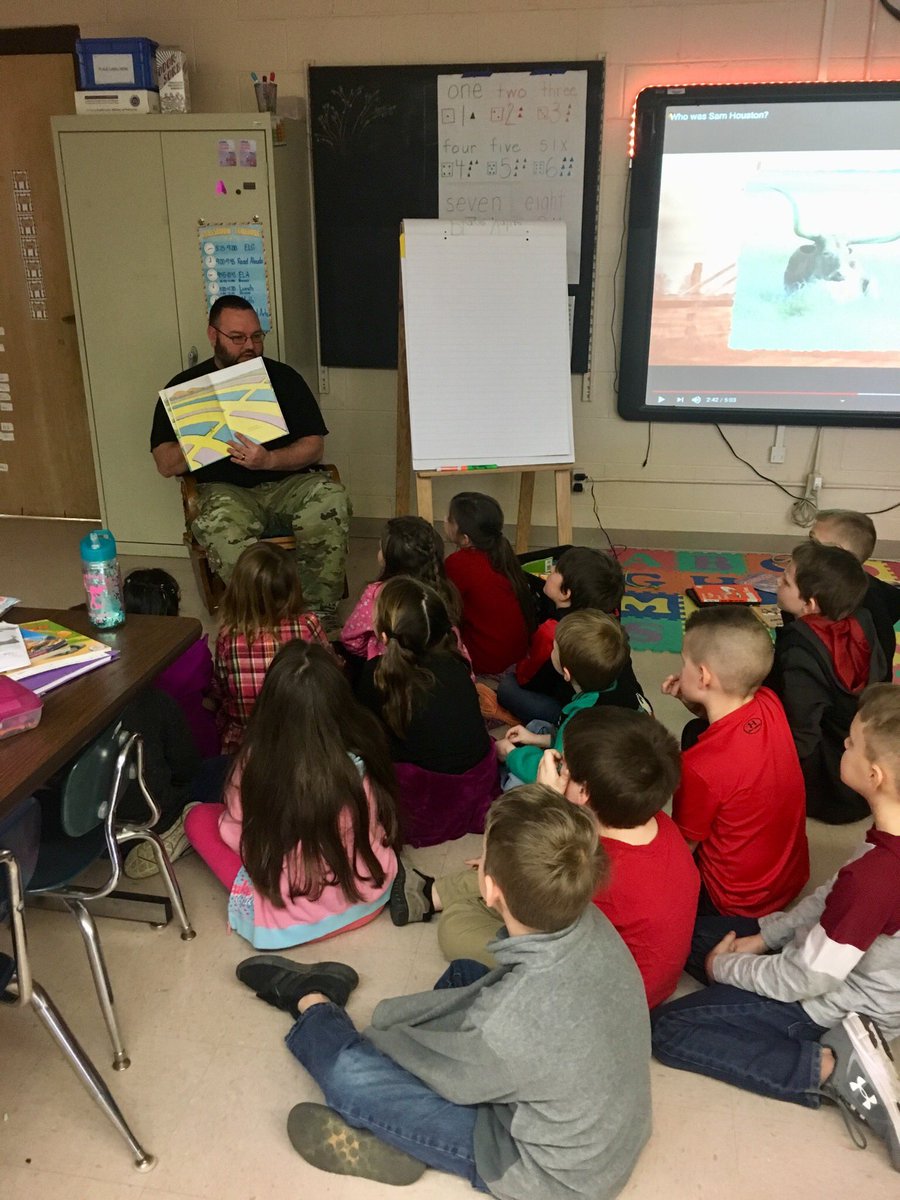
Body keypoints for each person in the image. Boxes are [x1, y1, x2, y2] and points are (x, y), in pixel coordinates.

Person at [235, 786, 652, 1197]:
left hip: (549, 1175)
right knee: (466, 973)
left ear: (488, 887)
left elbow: (449, 1074)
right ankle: (402, 1137)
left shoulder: (506, 1025)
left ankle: (312, 1000)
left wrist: (386, 1039)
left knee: (353, 1075)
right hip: (605, 1130)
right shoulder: (587, 919)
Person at [651, 684, 900, 1175]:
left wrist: (728, 967)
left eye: (848, 743)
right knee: (688, 928)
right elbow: (828, 900)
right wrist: (763, 937)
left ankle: (832, 1069)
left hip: (837, 1004)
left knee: (668, 1030)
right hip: (828, 961)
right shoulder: (881, 846)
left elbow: (808, 979)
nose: (841, 748)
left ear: (874, 775)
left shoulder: (875, 881)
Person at [394, 707, 699, 1010]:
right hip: (624, 958)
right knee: (504, 864)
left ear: (583, 791)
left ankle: (435, 898)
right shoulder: (649, 821)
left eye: (564, 764)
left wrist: (543, 798)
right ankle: (429, 894)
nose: (556, 763)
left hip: (599, 992)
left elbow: (529, 878)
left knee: (457, 926)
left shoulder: (601, 872)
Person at [184, 640, 398, 948]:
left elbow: (240, 839)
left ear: (271, 704)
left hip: (290, 915)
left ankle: (261, 901)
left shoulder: (256, 762)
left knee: (198, 818)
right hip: (370, 897)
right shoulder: (364, 744)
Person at [150, 295, 350, 622]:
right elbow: (165, 463)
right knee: (217, 524)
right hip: (227, 491)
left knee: (331, 498)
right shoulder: (185, 388)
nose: (251, 347)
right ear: (213, 336)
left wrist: (269, 460)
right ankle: (268, 619)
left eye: (257, 337)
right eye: (238, 338)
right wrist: (208, 436)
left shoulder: (284, 378)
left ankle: (319, 616)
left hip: (289, 483)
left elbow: (314, 446)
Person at [662, 606, 809, 979]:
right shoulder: (768, 701)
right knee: (697, 730)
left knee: (665, 926)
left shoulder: (700, 768)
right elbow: (717, 716)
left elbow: (683, 851)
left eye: (684, 662)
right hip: (788, 877)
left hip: (736, 903)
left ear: (704, 676)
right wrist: (688, 698)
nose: (680, 669)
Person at [355, 577, 498, 846]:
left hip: (427, 802)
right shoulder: (457, 662)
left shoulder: (375, 676)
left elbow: (367, 738)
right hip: (477, 784)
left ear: (384, 637)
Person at [767, 540, 886, 823]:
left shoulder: (801, 653)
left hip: (834, 784)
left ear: (809, 604)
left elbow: (802, 734)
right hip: (864, 754)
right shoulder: (862, 618)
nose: (777, 582)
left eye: (785, 581)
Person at [496, 609, 650, 786]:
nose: (552, 650)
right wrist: (537, 739)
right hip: (614, 758)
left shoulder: (580, 720)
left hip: (592, 784)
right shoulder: (617, 684)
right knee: (537, 728)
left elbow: (557, 776)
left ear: (566, 673)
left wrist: (510, 753)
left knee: (512, 782)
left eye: (554, 649)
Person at [498, 545, 645, 724]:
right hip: (631, 706)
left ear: (566, 593)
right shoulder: (611, 619)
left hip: (584, 718)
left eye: (556, 570)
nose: (551, 570)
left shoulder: (555, 634)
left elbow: (527, 680)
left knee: (507, 687)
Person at [213, 541, 332, 755]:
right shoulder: (307, 625)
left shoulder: (227, 635)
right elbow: (330, 670)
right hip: (302, 738)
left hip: (246, 743)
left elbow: (221, 688)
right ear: (291, 587)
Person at [122, 568, 219, 758]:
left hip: (139, 750)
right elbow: (210, 690)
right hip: (195, 746)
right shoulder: (196, 652)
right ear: (174, 607)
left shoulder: (119, 655)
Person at [340, 515, 462, 661]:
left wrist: (372, 654)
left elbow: (351, 639)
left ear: (391, 560)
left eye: (380, 548)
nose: (378, 552)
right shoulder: (443, 588)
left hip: (390, 669)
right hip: (440, 667)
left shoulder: (377, 594)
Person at [443, 492, 536, 674]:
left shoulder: (459, 563)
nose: (445, 519)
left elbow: (441, 608)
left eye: (451, 519)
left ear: (465, 538)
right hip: (516, 657)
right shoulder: (501, 553)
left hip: (487, 664)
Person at [811, 508, 900, 682]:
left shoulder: (855, 605)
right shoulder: (868, 585)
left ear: (838, 553)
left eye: (813, 542)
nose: (805, 549)